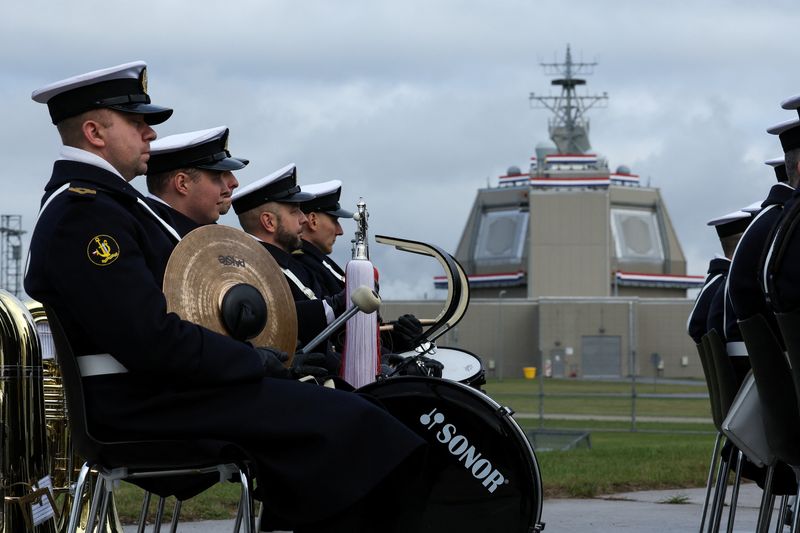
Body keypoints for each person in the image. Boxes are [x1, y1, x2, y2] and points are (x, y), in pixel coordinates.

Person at [25, 61, 427, 533]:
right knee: (354, 427)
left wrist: (262, 362)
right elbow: (149, 339)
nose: (150, 135)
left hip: (162, 394)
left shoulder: (106, 205)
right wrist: (253, 362)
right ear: (94, 131)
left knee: (349, 418)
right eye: (137, 124)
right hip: (141, 406)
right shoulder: (85, 213)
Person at [296, 180, 423, 355]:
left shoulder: (321, 263)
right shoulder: (303, 265)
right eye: (335, 220)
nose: (340, 231)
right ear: (312, 220)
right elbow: (336, 336)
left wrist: (400, 335)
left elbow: (359, 328)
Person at [144, 126, 246, 236]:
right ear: (182, 184)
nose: (234, 183)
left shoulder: (207, 234)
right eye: (217, 175)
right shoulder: (145, 232)